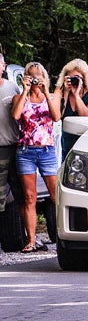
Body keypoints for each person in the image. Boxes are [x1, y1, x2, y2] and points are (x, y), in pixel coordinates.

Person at [10, 62, 60, 253]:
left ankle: (62, 235)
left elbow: (56, 117)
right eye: (31, 76)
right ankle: (31, 240)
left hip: (46, 150)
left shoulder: (52, 97)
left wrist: (46, 92)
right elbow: (15, 116)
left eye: (38, 76)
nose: (35, 79)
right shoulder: (19, 97)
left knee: (56, 195)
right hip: (26, 151)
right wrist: (25, 91)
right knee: (30, 197)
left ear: (44, 77)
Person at [54, 59, 88, 161]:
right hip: (67, 143)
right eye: (70, 78)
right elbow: (57, 116)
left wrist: (76, 95)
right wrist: (66, 93)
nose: (74, 81)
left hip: (87, 143)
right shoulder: (61, 91)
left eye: (77, 78)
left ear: (84, 78)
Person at [0, 53, 21, 216]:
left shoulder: (12, 87)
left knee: (19, 194)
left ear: (3, 66)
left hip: (14, 147)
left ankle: (23, 237)